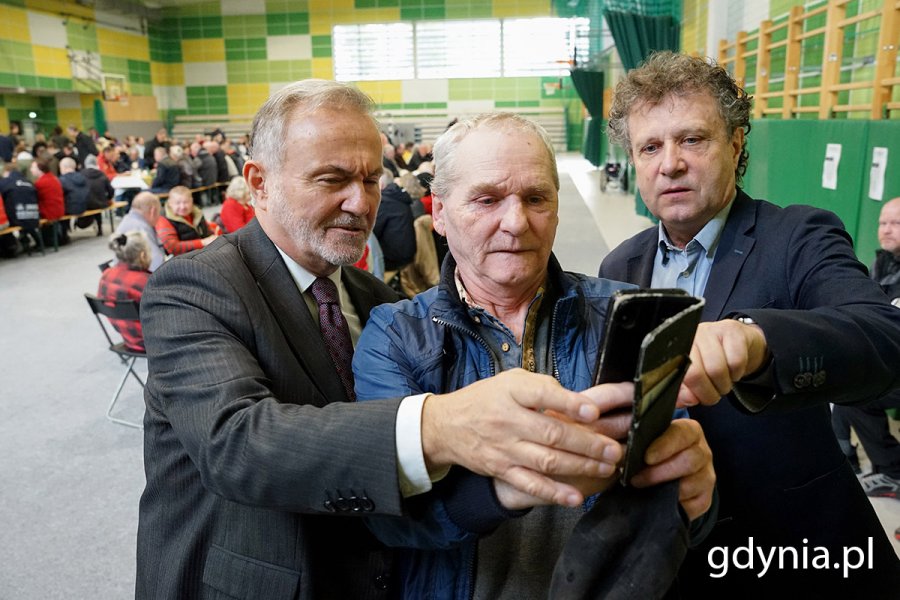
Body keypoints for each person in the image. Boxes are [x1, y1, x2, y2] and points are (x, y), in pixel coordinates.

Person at [137, 79, 636, 599]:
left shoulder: (373, 297)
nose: (360, 202)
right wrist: (443, 424)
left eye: (372, 179)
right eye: (332, 179)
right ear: (259, 182)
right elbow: (235, 444)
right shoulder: (193, 286)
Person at [353, 112, 722, 599]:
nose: (516, 222)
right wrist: (513, 485)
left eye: (536, 198)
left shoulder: (624, 314)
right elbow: (388, 518)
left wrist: (696, 501)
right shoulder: (395, 334)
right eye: (487, 200)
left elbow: (676, 504)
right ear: (439, 212)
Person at [598, 51, 900, 596]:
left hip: (794, 550)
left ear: (736, 144)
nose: (670, 163)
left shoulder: (799, 237)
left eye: (692, 139)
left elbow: (885, 339)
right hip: (672, 556)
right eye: (650, 146)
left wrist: (757, 341)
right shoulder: (619, 266)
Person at [832, 196, 900, 498]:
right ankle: (845, 457)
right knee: (843, 377)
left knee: (858, 394)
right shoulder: (883, 262)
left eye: (895, 223)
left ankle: (894, 472)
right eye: (882, 223)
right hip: (891, 356)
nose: (885, 230)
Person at [97, 230, 152, 352]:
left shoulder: (105, 275)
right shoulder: (146, 283)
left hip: (129, 341)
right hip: (156, 344)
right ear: (143, 255)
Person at [154, 185, 217, 256]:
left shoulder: (197, 212)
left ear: (191, 201)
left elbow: (207, 229)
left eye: (186, 202)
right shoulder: (163, 219)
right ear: (170, 203)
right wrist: (202, 242)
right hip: (183, 259)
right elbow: (173, 248)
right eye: (178, 203)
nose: (182, 207)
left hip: (203, 252)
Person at [373, 172, 416, 274]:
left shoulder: (385, 202)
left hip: (394, 259)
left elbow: (373, 232)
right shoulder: (399, 196)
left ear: (381, 185)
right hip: (408, 253)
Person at [114, 191, 164, 271]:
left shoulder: (126, 220)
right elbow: (157, 263)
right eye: (159, 213)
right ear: (153, 211)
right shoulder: (141, 228)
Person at [29, 157, 66, 245]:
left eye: (33, 167)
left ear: (40, 169)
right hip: (59, 209)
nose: (31, 170)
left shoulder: (40, 183)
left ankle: (39, 242)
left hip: (49, 212)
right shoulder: (53, 178)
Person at [80, 155, 114, 235]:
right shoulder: (102, 174)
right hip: (101, 203)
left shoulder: (81, 174)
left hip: (86, 203)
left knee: (92, 199)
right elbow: (111, 190)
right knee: (97, 199)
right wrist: (108, 198)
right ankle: (99, 228)